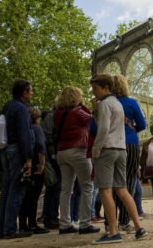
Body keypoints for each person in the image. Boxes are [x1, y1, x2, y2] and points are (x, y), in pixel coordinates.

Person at [90, 74, 146, 244]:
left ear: (106, 87)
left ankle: (113, 231)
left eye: (96, 88)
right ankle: (138, 227)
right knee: (122, 189)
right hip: (122, 149)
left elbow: (102, 128)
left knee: (105, 191)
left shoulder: (105, 103)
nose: (94, 92)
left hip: (107, 149)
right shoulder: (118, 104)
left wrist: (95, 150)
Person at [54, 86, 99, 235]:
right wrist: (84, 104)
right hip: (77, 150)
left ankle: (65, 224)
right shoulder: (77, 112)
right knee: (87, 186)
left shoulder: (57, 113)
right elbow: (91, 119)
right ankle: (85, 223)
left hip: (62, 152)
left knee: (66, 189)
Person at [0, 79, 34, 239]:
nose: (32, 93)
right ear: (24, 93)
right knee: (16, 190)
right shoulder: (21, 108)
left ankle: (1, 229)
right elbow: (24, 134)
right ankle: (10, 228)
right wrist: (28, 158)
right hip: (17, 149)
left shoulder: (8, 106)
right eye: (31, 90)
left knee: (6, 190)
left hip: (6, 149)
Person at [113, 75, 146, 233]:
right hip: (131, 143)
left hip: (112, 144)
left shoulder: (105, 104)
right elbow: (142, 124)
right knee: (129, 182)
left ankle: (110, 222)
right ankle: (125, 222)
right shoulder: (131, 103)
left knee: (112, 184)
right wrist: (131, 130)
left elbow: (93, 128)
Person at [18, 107, 49, 234]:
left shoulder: (23, 129)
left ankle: (23, 224)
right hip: (35, 164)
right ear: (38, 118)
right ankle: (32, 224)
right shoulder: (37, 128)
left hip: (24, 163)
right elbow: (41, 145)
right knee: (33, 196)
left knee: (25, 196)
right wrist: (42, 163)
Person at [41, 98, 61, 230]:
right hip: (52, 156)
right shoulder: (50, 117)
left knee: (58, 187)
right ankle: (49, 217)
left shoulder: (59, 116)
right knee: (53, 186)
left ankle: (53, 216)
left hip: (59, 154)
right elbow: (47, 136)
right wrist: (52, 151)